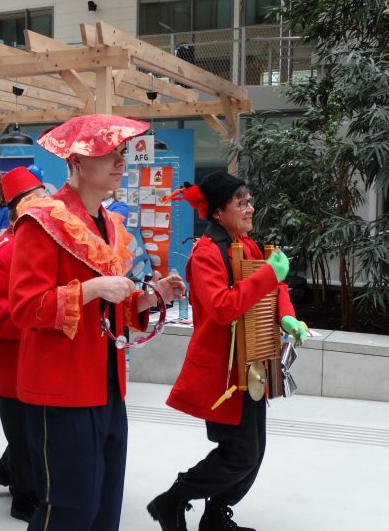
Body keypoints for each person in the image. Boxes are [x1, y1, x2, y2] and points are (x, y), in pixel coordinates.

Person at [9, 114, 185, 531]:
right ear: (77, 161)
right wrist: (90, 289)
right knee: (69, 507)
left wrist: (147, 297)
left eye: (122, 153)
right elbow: (23, 307)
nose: (121, 163)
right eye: (108, 154)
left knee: (105, 504)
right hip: (61, 387)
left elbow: (113, 311)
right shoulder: (42, 221)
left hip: (106, 384)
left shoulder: (109, 224)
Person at [147, 171, 309, 531]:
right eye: (242, 202)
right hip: (223, 371)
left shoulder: (247, 245)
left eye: (250, 200)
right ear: (219, 211)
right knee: (240, 455)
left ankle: (216, 516)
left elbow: (273, 287)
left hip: (251, 363)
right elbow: (222, 307)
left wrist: (287, 316)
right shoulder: (206, 253)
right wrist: (270, 275)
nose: (251, 208)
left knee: (254, 453)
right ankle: (173, 499)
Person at [0, 167, 46, 522]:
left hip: (37, 363)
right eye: (39, 202)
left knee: (31, 433)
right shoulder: (0, 257)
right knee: (24, 436)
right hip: (12, 369)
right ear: (19, 209)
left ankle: (9, 473)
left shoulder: (38, 246)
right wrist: (50, 319)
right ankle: (24, 498)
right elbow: (0, 321)